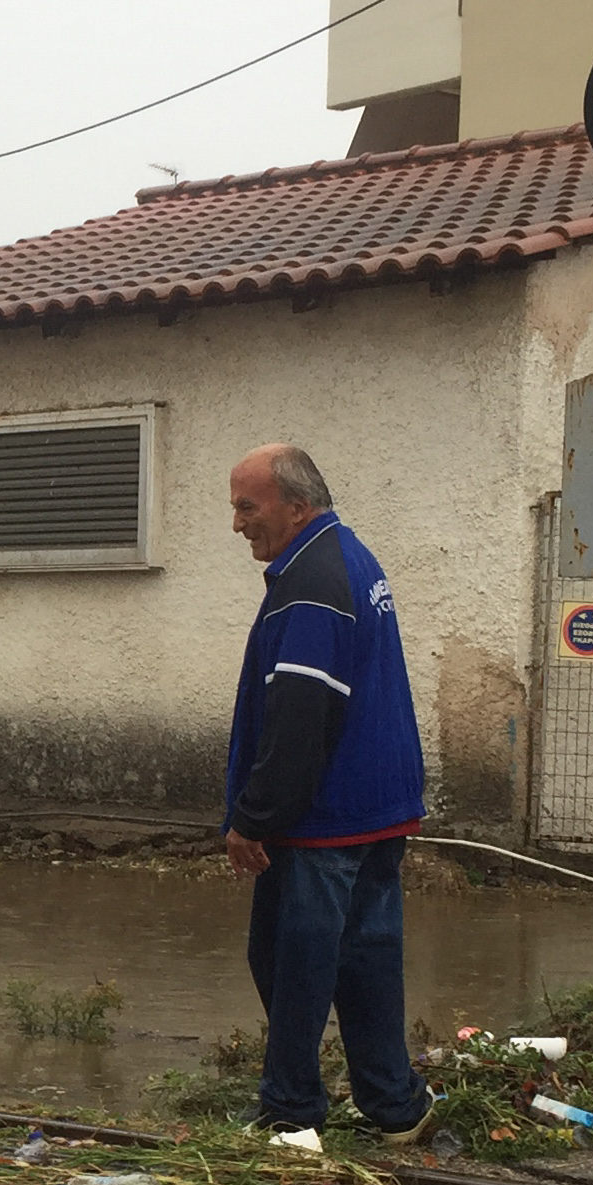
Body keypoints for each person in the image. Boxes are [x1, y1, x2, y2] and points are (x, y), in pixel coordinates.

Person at [220, 443, 436, 1142]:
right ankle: (393, 1103)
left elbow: (300, 715)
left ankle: (290, 1110)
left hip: (324, 817)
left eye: (247, 508)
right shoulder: (350, 554)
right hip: (376, 807)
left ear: (295, 505)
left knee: (291, 962)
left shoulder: (310, 583)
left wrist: (253, 817)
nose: (237, 524)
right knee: (366, 957)